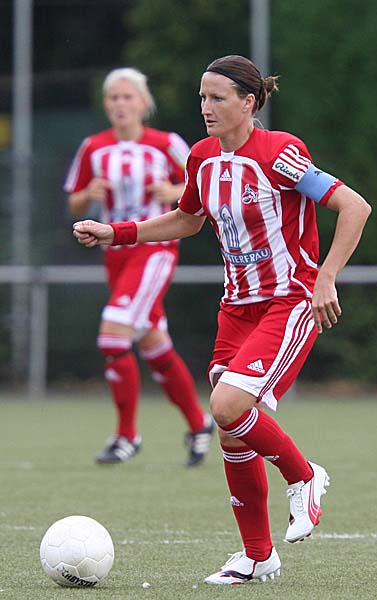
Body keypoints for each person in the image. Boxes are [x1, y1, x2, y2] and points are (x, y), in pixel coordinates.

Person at [72, 55, 372, 584]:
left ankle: (304, 476)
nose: (206, 107)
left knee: (228, 406)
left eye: (217, 98)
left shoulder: (281, 153)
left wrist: (326, 277)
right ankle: (257, 556)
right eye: (202, 98)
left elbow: (355, 207)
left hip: (287, 300)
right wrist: (116, 232)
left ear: (248, 102)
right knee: (232, 433)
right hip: (236, 308)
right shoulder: (202, 157)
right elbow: (187, 219)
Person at [64, 67, 214, 467]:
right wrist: (87, 195)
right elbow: (74, 202)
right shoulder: (94, 147)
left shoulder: (167, 143)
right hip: (115, 255)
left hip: (154, 250)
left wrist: (174, 190)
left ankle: (127, 435)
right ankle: (199, 423)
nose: (120, 104)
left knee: (113, 335)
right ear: (105, 105)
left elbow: (205, 184)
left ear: (144, 103)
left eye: (127, 97)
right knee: (154, 344)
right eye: (113, 97)